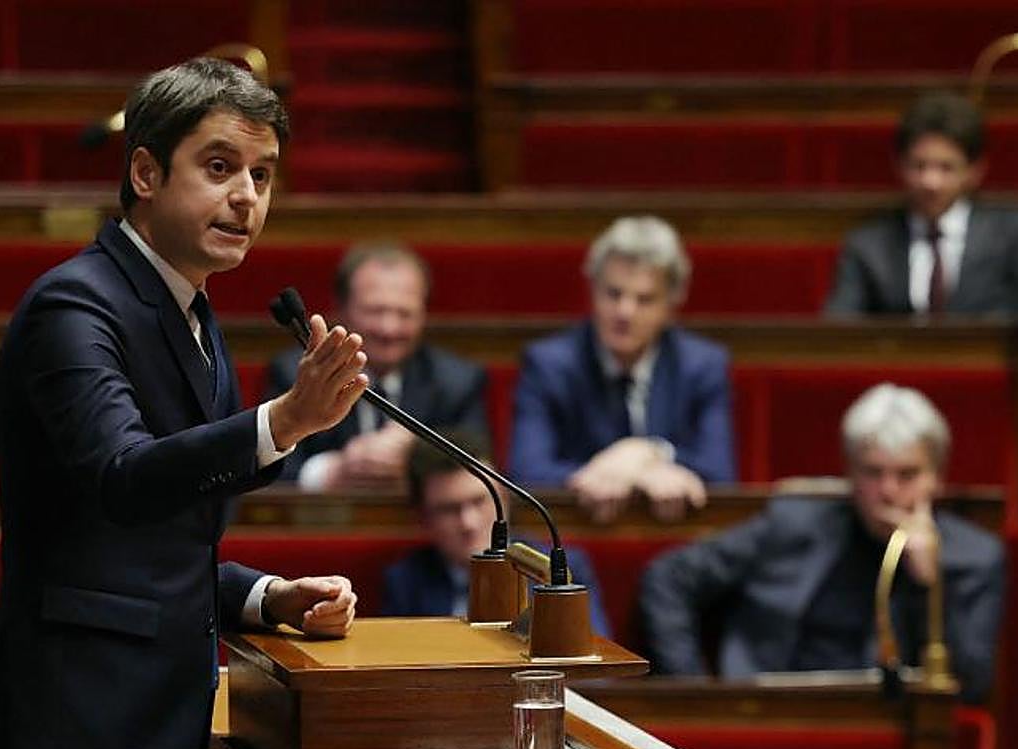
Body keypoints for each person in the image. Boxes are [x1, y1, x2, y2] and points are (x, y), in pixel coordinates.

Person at [0, 58, 368, 749]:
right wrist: (282, 422)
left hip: (153, 741)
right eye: (219, 167)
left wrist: (262, 597)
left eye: (262, 174)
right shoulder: (74, 305)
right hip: (75, 745)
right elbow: (125, 481)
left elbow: (151, 547)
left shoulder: (190, 310)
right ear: (145, 172)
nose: (246, 196)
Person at [641, 384, 1004, 704]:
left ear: (937, 478)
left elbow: (972, 687)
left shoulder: (974, 558)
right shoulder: (795, 523)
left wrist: (930, 585)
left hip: (896, 739)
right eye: (873, 472)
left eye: (907, 474)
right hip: (773, 718)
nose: (889, 491)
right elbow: (668, 579)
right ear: (850, 472)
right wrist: (693, 693)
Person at [509, 215, 735, 523]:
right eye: (613, 293)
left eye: (644, 299)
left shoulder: (701, 365)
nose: (624, 311)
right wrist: (608, 473)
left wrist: (649, 452)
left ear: (671, 305)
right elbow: (526, 474)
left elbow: (720, 474)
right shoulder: (548, 364)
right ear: (593, 291)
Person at [265, 241, 488, 490]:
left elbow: (479, 471)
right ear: (341, 310)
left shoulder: (458, 382)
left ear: (424, 314)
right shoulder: (298, 373)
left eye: (404, 314)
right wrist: (333, 471)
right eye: (375, 311)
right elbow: (266, 474)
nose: (388, 328)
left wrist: (418, 458)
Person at [382, 432, 613, 637]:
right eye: (449, 509)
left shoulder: (559, 569)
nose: (468, 523)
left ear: (503, 497)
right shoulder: (406, 580)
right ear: (424, 518)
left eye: (479, 501)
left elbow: (595, 670)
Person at [826, 90, 1018, 315]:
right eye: (919, 166)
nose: (930, 182)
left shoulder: (1013, 237)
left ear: (974, 171)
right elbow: (839, 331)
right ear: (899, 165)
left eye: (946, 167)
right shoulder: (867, 246)